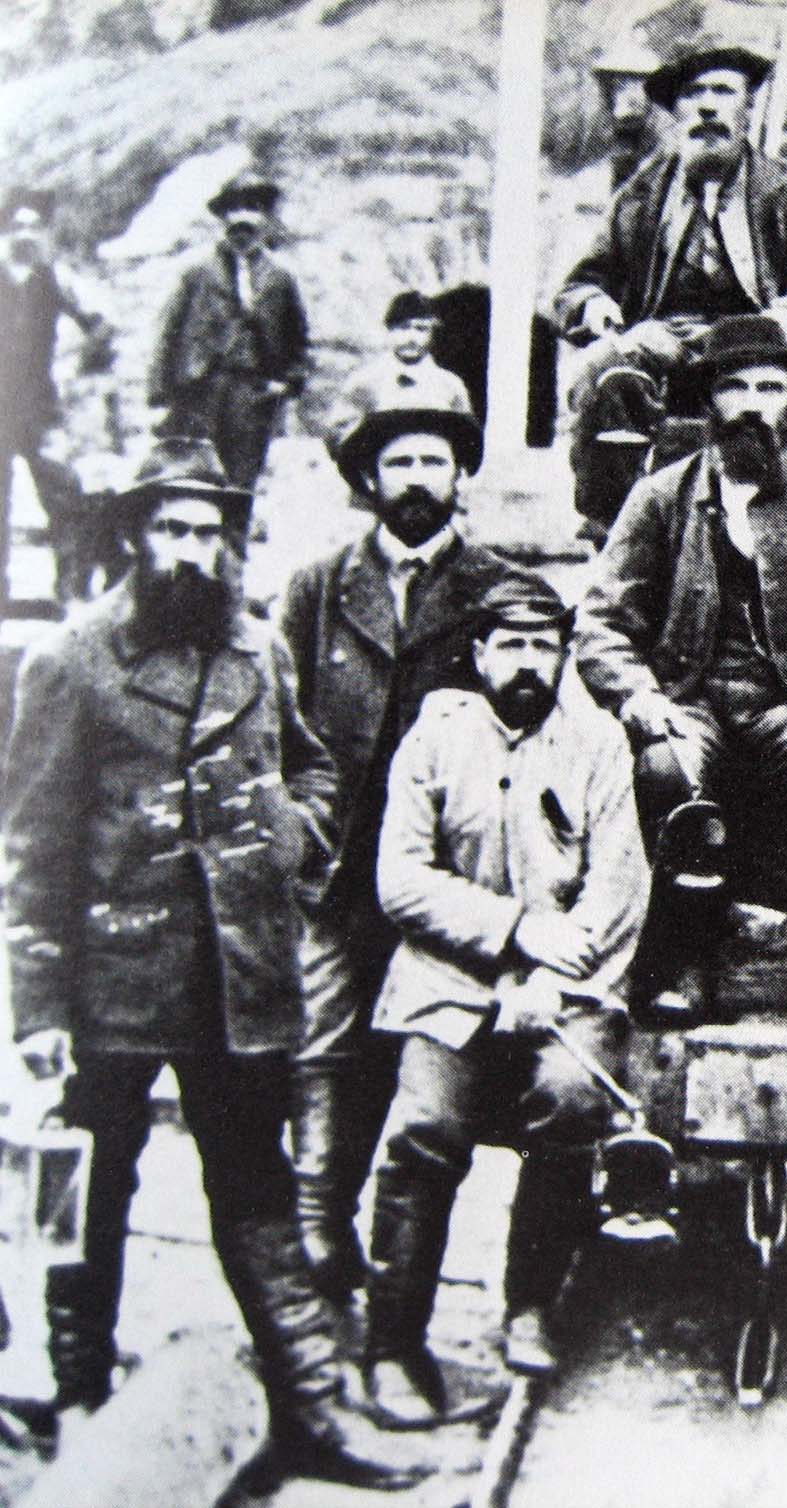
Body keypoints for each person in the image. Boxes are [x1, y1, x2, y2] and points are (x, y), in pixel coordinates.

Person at [0, 437, 423, 1493]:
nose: (195, 551)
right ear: (138, 534)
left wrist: (293, 832)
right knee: (89, 1196)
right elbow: (32, 847)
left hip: (240, 980)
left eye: (211, 531)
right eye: (174, 529)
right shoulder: (74, 660)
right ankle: (81, 1395)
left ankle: (316, 1412)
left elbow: (313, 765)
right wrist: (38, 1008)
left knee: (260, 1198)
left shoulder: (255, 648)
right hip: (114, 981)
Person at [361, 573, 649, 1422]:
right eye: (510, 646)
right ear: (480, 654)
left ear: (565, 655)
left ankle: (529, 1302)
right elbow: (401, 882)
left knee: (567, 1105)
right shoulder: (436, 736)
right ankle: (392, 1347)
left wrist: (552, 982)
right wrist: (515, 933)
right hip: (449, 980)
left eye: (544, 646)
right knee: (424, 1131)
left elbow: (618, 889)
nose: (528, 664)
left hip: (569, 984)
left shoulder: (597, 742)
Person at [577, 313, 787, 1024]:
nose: (755, 404)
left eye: (771, 387)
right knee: (666, 770)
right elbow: (601, 619)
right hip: (688, 697)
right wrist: (637, 694)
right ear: (708, 402)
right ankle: (683, 961)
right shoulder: (662, 496)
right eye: (737, 388)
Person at [277, 386, 509, 1303]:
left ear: (459, 480)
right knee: (324, 1050)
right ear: (368, 479)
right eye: (399, 463)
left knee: (425, 1077)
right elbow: (281, 728)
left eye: (434, 463)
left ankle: (398, 1284)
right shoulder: (320, 586)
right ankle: (315, 1243)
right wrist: (296, 834)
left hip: (438, 879)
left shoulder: (495, 589)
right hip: (335, 869)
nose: (417, 480)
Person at [552, 31, 787, 532]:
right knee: (602, 370)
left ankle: (770, 526)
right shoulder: (642, 195)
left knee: (766, 386)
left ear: (748, 107)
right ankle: (615, 532)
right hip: (666, 341)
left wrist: (781, 320)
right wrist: (595, 306)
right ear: (675, 111)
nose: (708, 108)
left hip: (758, 341)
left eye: (723, 92)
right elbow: (580, 284)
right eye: (694, 95)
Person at [149, 170, 308, 490]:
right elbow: (169, 330)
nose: (242, 218)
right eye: (234, 209)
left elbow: (298, 338)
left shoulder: (280, 278)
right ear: (223, 219)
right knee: (196, 475)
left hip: (252, 392)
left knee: (242, 480)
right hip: (201, 389)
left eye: (252, 207)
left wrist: (287, 383)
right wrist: (159, 393)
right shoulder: (198, 273)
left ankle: (236, 540)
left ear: (265, 218)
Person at [0, 188, 106, 605]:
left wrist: (77, 371)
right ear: (7, 230)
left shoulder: (55, 278)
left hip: (40, 407)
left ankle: (69, 588)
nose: (26, 234)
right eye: (17, 226)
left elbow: (98, 324)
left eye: (34, 227)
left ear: (43, 232)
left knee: (62, 496)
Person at [331, 290, 472, 435]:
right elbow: (338, 436)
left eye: (421, 329)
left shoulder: (450, 385)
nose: (412, 337)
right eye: (403, 327)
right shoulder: (364, 381)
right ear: (389, 331)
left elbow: (465, 437)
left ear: (432, 334)